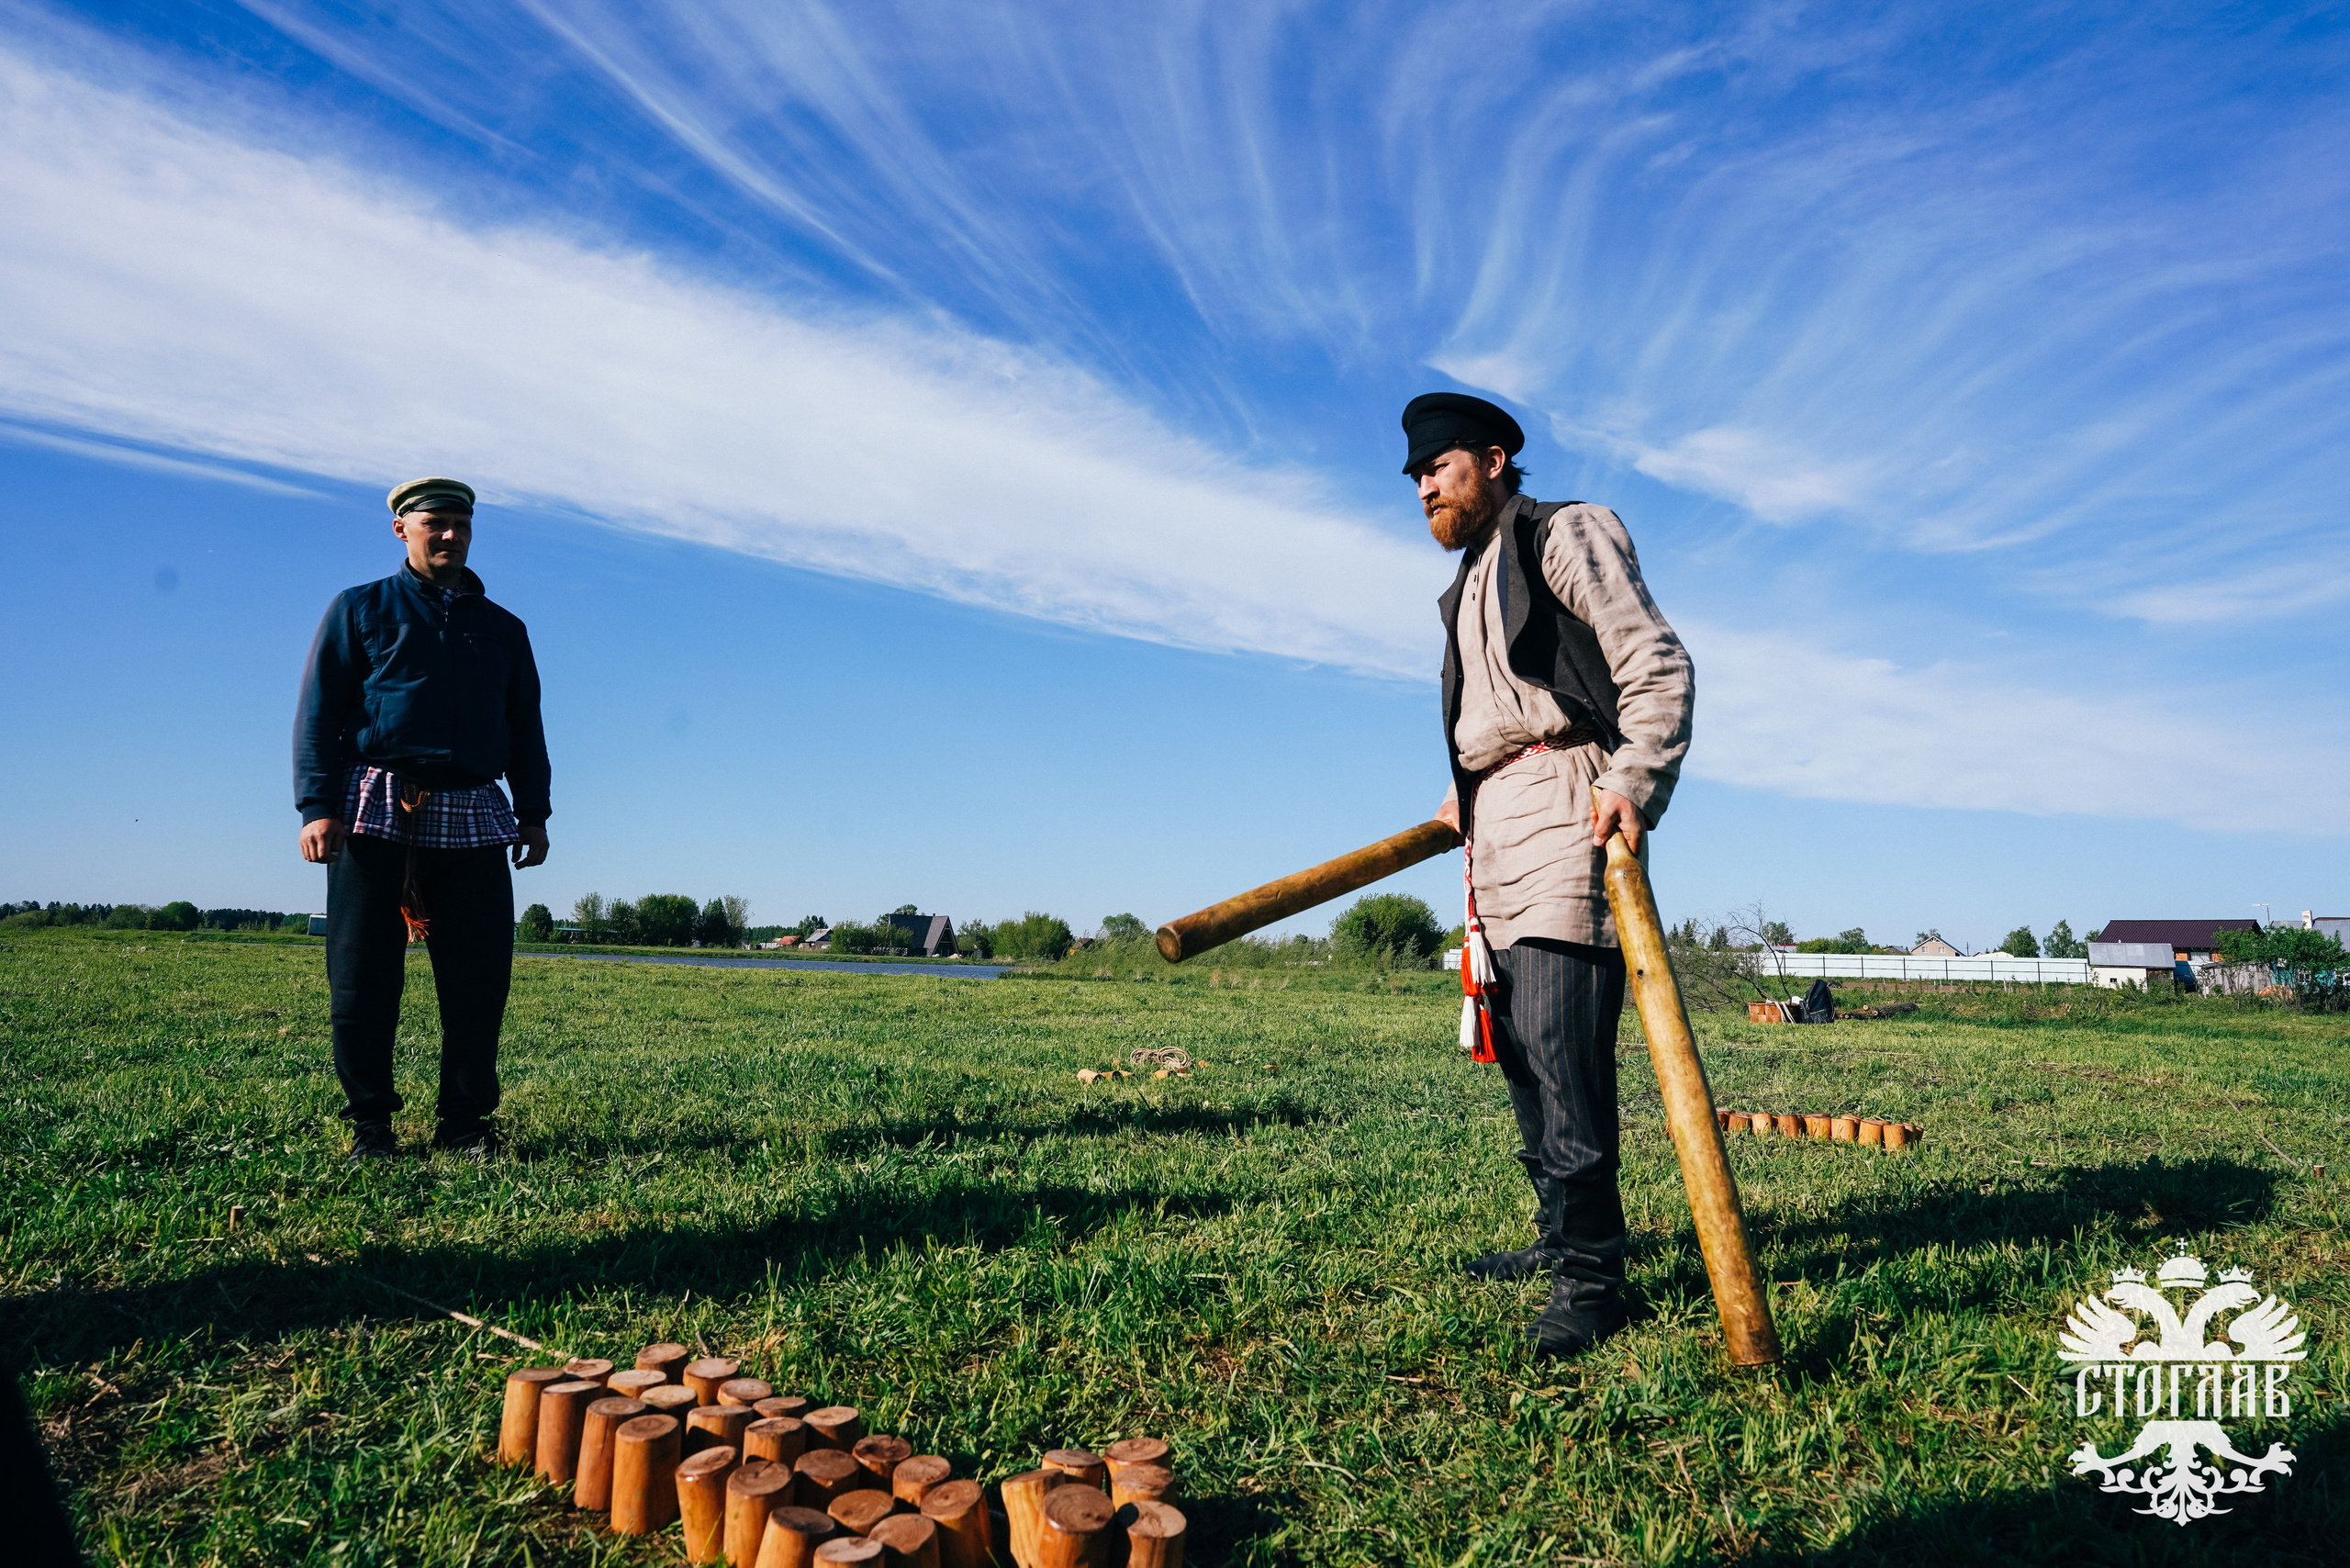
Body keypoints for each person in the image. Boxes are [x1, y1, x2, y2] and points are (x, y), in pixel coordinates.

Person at [1408, 392, 1694, 1359]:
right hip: (1493, 819)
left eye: (1435, 468)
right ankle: (1556, 1237)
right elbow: (1492, 717)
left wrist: (1634, 778)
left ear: (1491, 460)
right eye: (1414, 477)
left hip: (1573, 797)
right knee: (1521, 1052)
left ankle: (1592, 1279)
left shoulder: (1563, 532)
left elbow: (1652, 661)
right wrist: (1462, 792)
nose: (1421, 490)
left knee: (1561, 1044)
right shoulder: (1463, 585)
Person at [294, 477, 551, 1162]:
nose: (449, 536)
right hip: (375, 810)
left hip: (472, 815)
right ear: (402, 530)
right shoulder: (361, 610)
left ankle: (464, 1126)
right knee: (360, 979)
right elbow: (318, 714)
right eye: (434, 523)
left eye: (460, 525)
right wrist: (317, 807)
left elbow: (525, 728)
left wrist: (534, 815)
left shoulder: (503, 630)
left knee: (478, 981)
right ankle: (371, 1129)